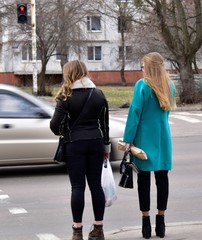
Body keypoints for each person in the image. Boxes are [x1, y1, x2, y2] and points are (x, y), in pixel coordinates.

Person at [50, 60, 110, 240]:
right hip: (96, 142)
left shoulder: (65, 97)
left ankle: (77, 231)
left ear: (68, 74)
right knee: (96, 186)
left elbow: (54, 126)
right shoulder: (99, 94)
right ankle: (98, 229)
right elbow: (104, 125)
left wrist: (65, 130)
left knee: (77, 187)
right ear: (84, 72)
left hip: (74, 144)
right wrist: (106, 147)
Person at [123, 52, 176, 239]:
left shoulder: (142, 86)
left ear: (149, 67)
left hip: (144, 139)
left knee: (144, 180)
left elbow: (134, 114)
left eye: (143, 66)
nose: (142, 69)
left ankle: (146, 223)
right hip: (162, 139)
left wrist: (128, 139)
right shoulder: (169, 86)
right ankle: (161, 222)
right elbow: (166, 114)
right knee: (163, 179)